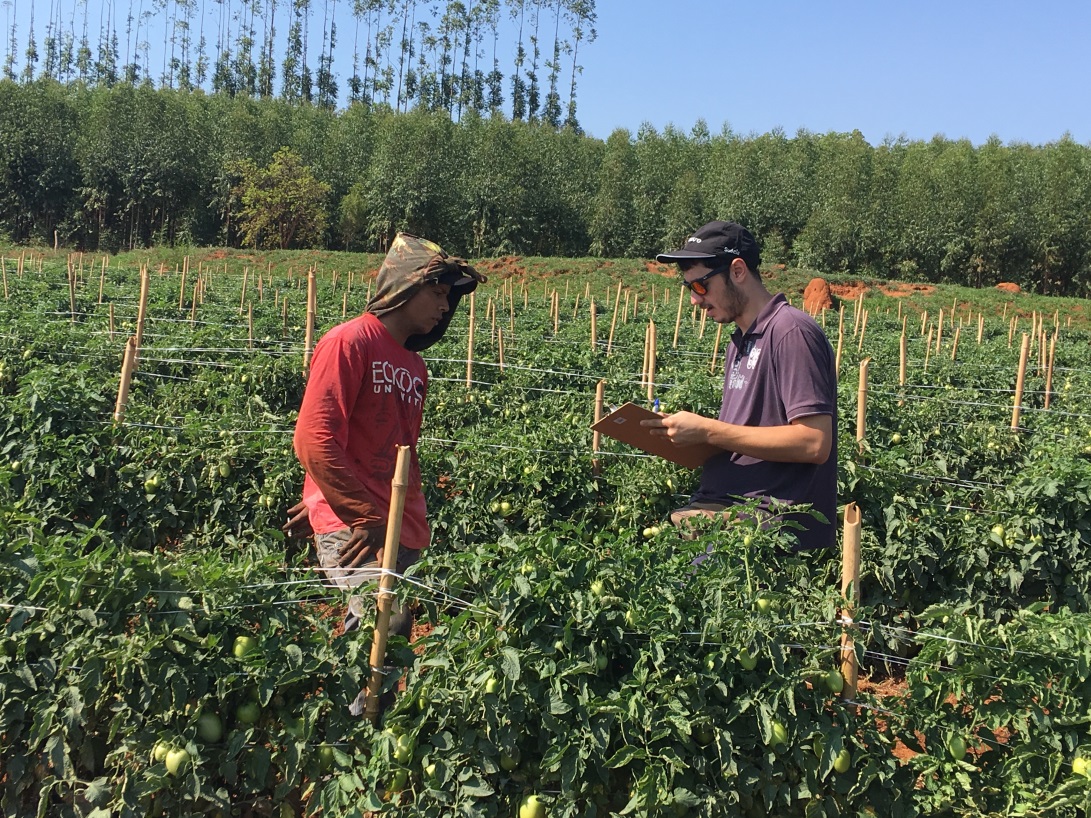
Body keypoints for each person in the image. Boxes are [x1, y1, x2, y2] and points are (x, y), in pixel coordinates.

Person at [283, 232, 484, 711]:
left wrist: (323, 496)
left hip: (399, 523)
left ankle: (366, 729)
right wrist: (353, 511)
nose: (445, 306)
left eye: (450, 297)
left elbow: (387, 447)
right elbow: (314, 438)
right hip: (362, 526)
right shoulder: (348, 341)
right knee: (383, 622)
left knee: (386, 638)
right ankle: (354, 737)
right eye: (438, 291)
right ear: (404, 285)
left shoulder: (414, 366)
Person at [641, 220, 838, 551]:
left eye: (701, 286)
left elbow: (814, 442)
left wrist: (707, 432)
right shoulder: (740, 341)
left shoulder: (791, 332)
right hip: (724, 516)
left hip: (766, 534)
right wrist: (686, 437)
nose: (694, 300)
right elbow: (747, 434)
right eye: (689, 288)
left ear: (737, 270)